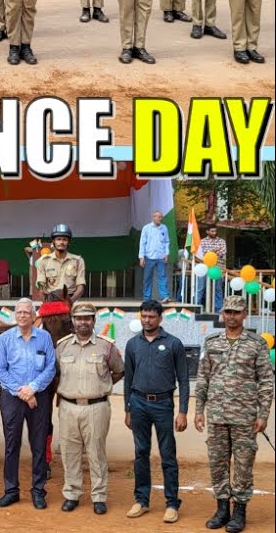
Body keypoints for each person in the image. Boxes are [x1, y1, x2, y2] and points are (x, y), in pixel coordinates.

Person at [194, 295, 274, 533]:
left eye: (236, 312)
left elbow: (266, 381)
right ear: (223, 314)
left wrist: (263, 414)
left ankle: (239, 512)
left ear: (244, 315)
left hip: (245, 417)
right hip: (217, 416)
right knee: (217, 463)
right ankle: (222, 510)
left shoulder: (257, 344)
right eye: (228, 312)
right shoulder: (211, 343)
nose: (231, 316)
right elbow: (203, 378)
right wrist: (199, 410)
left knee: (243, 465)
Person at [124, 299, 190, 523]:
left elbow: (183, 379)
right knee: (141, 452)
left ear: (160, 318)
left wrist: (183, 411)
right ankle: (141, 500)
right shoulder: (133, 344)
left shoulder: (173, 344)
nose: (147, 320)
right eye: (143, 316)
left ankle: (171, 503)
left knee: (167, 454)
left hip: (163, 404)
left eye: (151, 317)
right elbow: (128, 379)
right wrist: (127, 408)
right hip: (138, 403)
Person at [54, 302, 123, 515]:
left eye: (87, 318)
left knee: (96, 452)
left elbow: (119, 371)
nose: (82, 322)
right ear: (73, 321)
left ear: (94, 321)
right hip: (68, 406)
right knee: (69, 452)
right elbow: (55, 373)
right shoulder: (62, 346)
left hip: (96, 407)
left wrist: (101, 386)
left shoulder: (106, 346)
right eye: (78, 318)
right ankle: (72, 494)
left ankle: (99, 496)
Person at [0, 298, 56, 510]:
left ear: (34, 315)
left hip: (39, 396)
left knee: (38, 444)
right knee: (12, 444)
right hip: (13, 397)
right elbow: (0, 370)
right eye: (19, 312)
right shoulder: (5, 339)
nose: (22, 315)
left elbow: (50, 367)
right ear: (15, 314)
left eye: (26, 312)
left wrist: (33, 388)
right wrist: (23, 392)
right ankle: (11, 490)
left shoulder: (44, 337)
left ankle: (38, 490)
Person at [35, 223, 87, 302]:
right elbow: (41, 289)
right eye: (58, 239)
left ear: (68, 242)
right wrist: (47, 304)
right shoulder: (44, 261)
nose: (61, 242)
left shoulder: (78, 261)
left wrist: (69, 303)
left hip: (71, 299)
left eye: (65, 239)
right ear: (53, 241)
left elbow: (80, 287)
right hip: (50, 299)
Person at [138, 210, 171, 302]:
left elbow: (167, 242)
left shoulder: (164, 228)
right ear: (153, 217)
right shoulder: (146, 228)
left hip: (161, 256)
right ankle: (147, 298)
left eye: (161, 217)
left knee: (162, 276)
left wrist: (166, 253)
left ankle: (164, 296)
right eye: (158, 217)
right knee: (147, 278)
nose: (160, 219)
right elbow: (142, 243)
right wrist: (141, 257)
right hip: (149, 256)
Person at [196, 223, 227, 310]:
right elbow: (202, 254)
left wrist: (209, 252)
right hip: (204, 268)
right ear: (207, 231)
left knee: (218, 289)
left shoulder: (221, 241)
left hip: (217, 267)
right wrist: (215, 250)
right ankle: (196, 306)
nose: (214, 233)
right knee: (200, 288)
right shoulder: (202, 242)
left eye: (215, 231)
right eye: (212, 231)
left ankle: (218, 308)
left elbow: (222, 252)